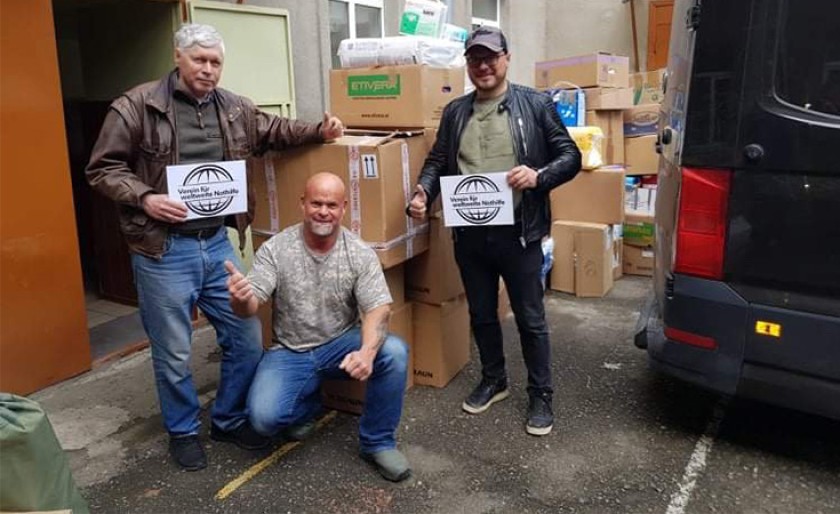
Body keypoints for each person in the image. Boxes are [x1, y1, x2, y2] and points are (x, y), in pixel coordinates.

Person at [86, 23, 344, 471]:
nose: (208, 70)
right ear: (178, 58)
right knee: (174, 352)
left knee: (245, 337)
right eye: (199, 60)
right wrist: (145, 197)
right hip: (162, 249)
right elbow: (102, 168)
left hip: (217, 243)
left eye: (215, 62)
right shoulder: (137, 106)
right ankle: (182, 431)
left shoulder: (234, 108)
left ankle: (226, 418)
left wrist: (320, 130)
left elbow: (275, 130)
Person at [407, 26, 581, 436]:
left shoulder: (536, 104)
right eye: (474, 59)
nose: (482, 66)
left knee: (530, 318)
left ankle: (541, 394)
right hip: (470, 233)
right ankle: (494, 379)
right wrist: (422, 192)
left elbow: (570, 156)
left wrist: (538, 175)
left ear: (506, 58)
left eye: (490, 57)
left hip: (519, 233)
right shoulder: (455, 112)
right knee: (482, 313)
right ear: (467, 64)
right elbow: (437, 160)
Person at [225, 172, 411, 482]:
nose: (323, 211)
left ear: (344, 207)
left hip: (340, 344)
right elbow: (251, 305)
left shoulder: (359, 253)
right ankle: (305, 405)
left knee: (394, 351)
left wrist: (366, 352)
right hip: (290, 351)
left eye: (331, 204)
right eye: (316, 203)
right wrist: (240, 299)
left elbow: (379, 308)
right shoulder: (276, 248)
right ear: (302, 204)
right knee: (263, 420)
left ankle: (377, 442)